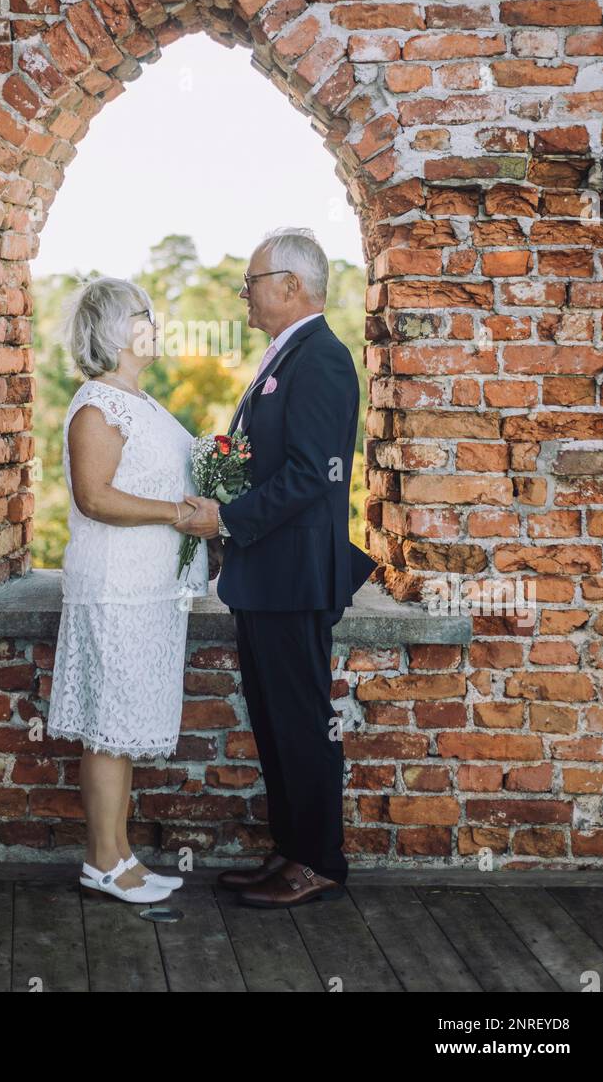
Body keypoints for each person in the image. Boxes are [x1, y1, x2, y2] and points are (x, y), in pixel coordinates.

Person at [176, 227, 376, 908]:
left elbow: (311, 478)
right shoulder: (284, 355)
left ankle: (320, 862)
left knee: (300, 723)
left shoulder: (321, 358)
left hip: (292, 578)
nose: (244, 296)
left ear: (292, 285)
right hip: (266, 578)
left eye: (252, 282)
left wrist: (225, 518)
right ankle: (290, 850)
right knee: (272, 720)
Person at [47, 277, 208, 904]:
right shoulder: (97, 405)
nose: (156, 322)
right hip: (115, 587)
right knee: (109, 729)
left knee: (124, 728)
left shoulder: (140, 400)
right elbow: (95, 497)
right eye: (144, 314)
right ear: (115, 332)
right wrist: (177, 513)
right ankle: (101, 862)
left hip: (149, 591)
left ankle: (122, 855)